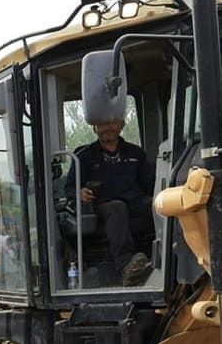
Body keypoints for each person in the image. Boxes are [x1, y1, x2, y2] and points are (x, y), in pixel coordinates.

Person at [62, 116, 158, 286]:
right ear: (94, 127)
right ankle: (126, 266)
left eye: (112, 122)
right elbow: (70, 189)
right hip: (102, 209)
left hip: (134, 203)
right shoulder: (84, 157)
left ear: (121, 125)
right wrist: (79, 193)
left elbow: (151, 185)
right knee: (117, 208)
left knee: (159, 204)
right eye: (102, 123)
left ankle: (167, 258)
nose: (108, 127)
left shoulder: (136, 153)